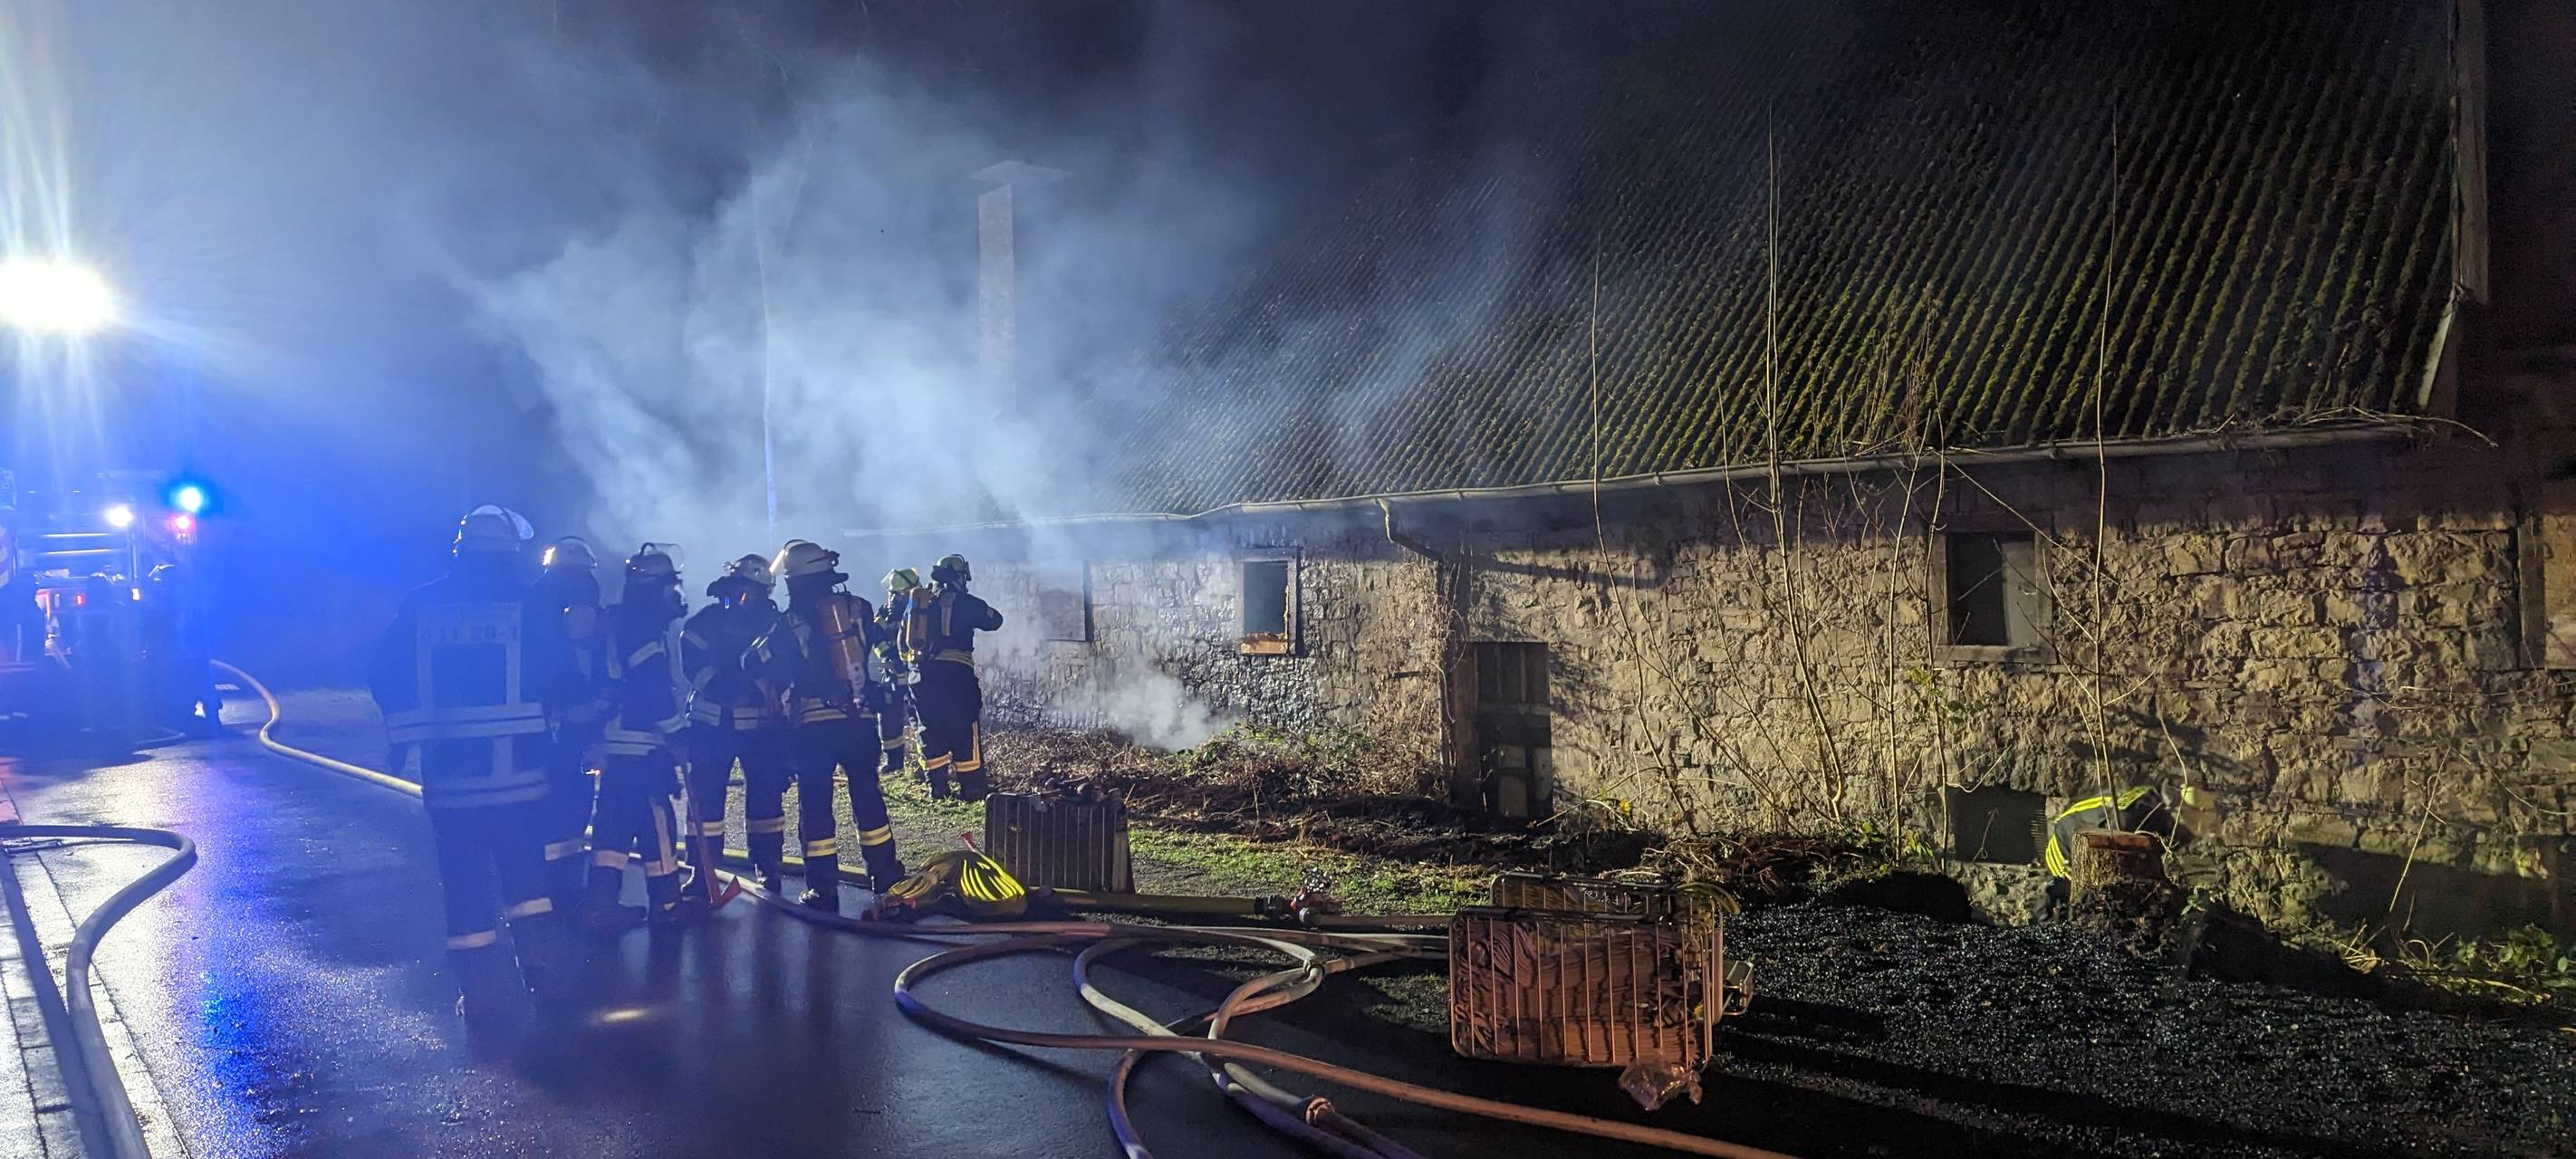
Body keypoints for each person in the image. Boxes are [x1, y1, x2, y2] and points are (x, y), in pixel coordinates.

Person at [368, 504, 571, 1025]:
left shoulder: (422, 605)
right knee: (528, 879)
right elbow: (561, 674)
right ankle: (542, 971)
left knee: (463, 881)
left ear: (461, 551)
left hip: (451, 779)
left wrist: (408, 737)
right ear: (507, 555)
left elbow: (383, 672)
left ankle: (480, 995)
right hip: (522, 776)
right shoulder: (528, 606)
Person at [747, 540, 903, 910]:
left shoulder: (789, 622)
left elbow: (756, 660)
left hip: (813, 727)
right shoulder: (860, 609)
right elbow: (882, 651)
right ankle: (884, 875)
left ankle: (822, 888)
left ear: (794, 582)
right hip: (860, 720)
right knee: (867, 796)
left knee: (816, 803)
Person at [584, 543, 697, 929]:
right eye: (669, 588)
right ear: (652, 590)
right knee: (657, 820)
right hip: (641, 744)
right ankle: (667, 905)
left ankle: (600, 904)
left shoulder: (618, 622)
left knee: (613, 823)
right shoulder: (644, 629)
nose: (675, 596)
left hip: (614, 742)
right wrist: (677, 733)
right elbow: (653, 690)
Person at [681, 554, 791, 895]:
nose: (747, 599)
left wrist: (760, 691)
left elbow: (786, 665)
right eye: (744, 591)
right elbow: (692, 659)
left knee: (766, 800)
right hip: (711, 724)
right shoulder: (706, 621)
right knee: (705, 801)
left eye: (756, 593)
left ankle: (768, 868)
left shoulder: (774, 625)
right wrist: (723, 688)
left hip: (761, 728)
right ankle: (703, 873)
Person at [530, 536, 606, 915]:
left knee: (545, 803)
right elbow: (582, 673)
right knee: (570, 804)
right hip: (569, 727)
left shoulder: (532, 606)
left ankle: (539, 887)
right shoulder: (578, 610)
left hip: (538, 729)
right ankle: (563, 892)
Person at [902, 553, 1004, 801]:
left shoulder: (919, 604)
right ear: (958, 577)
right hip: (956, 676)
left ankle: (937, 788)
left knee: (930, 728)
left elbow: (901, 639)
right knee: (963, 728)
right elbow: (995, 621)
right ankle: (972, 789)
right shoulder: (965, 602)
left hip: (922, 677)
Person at [873, 568, 922, 781]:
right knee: (888, 717)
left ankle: (926, 763)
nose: (892, 598)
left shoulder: (921, 610)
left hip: (916, 673)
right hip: (893, 673)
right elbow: (875, 635)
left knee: (920, 717)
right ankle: (894, 761)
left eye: (897, 594)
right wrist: (888, 655)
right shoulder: (885, 613)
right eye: (891, 593)